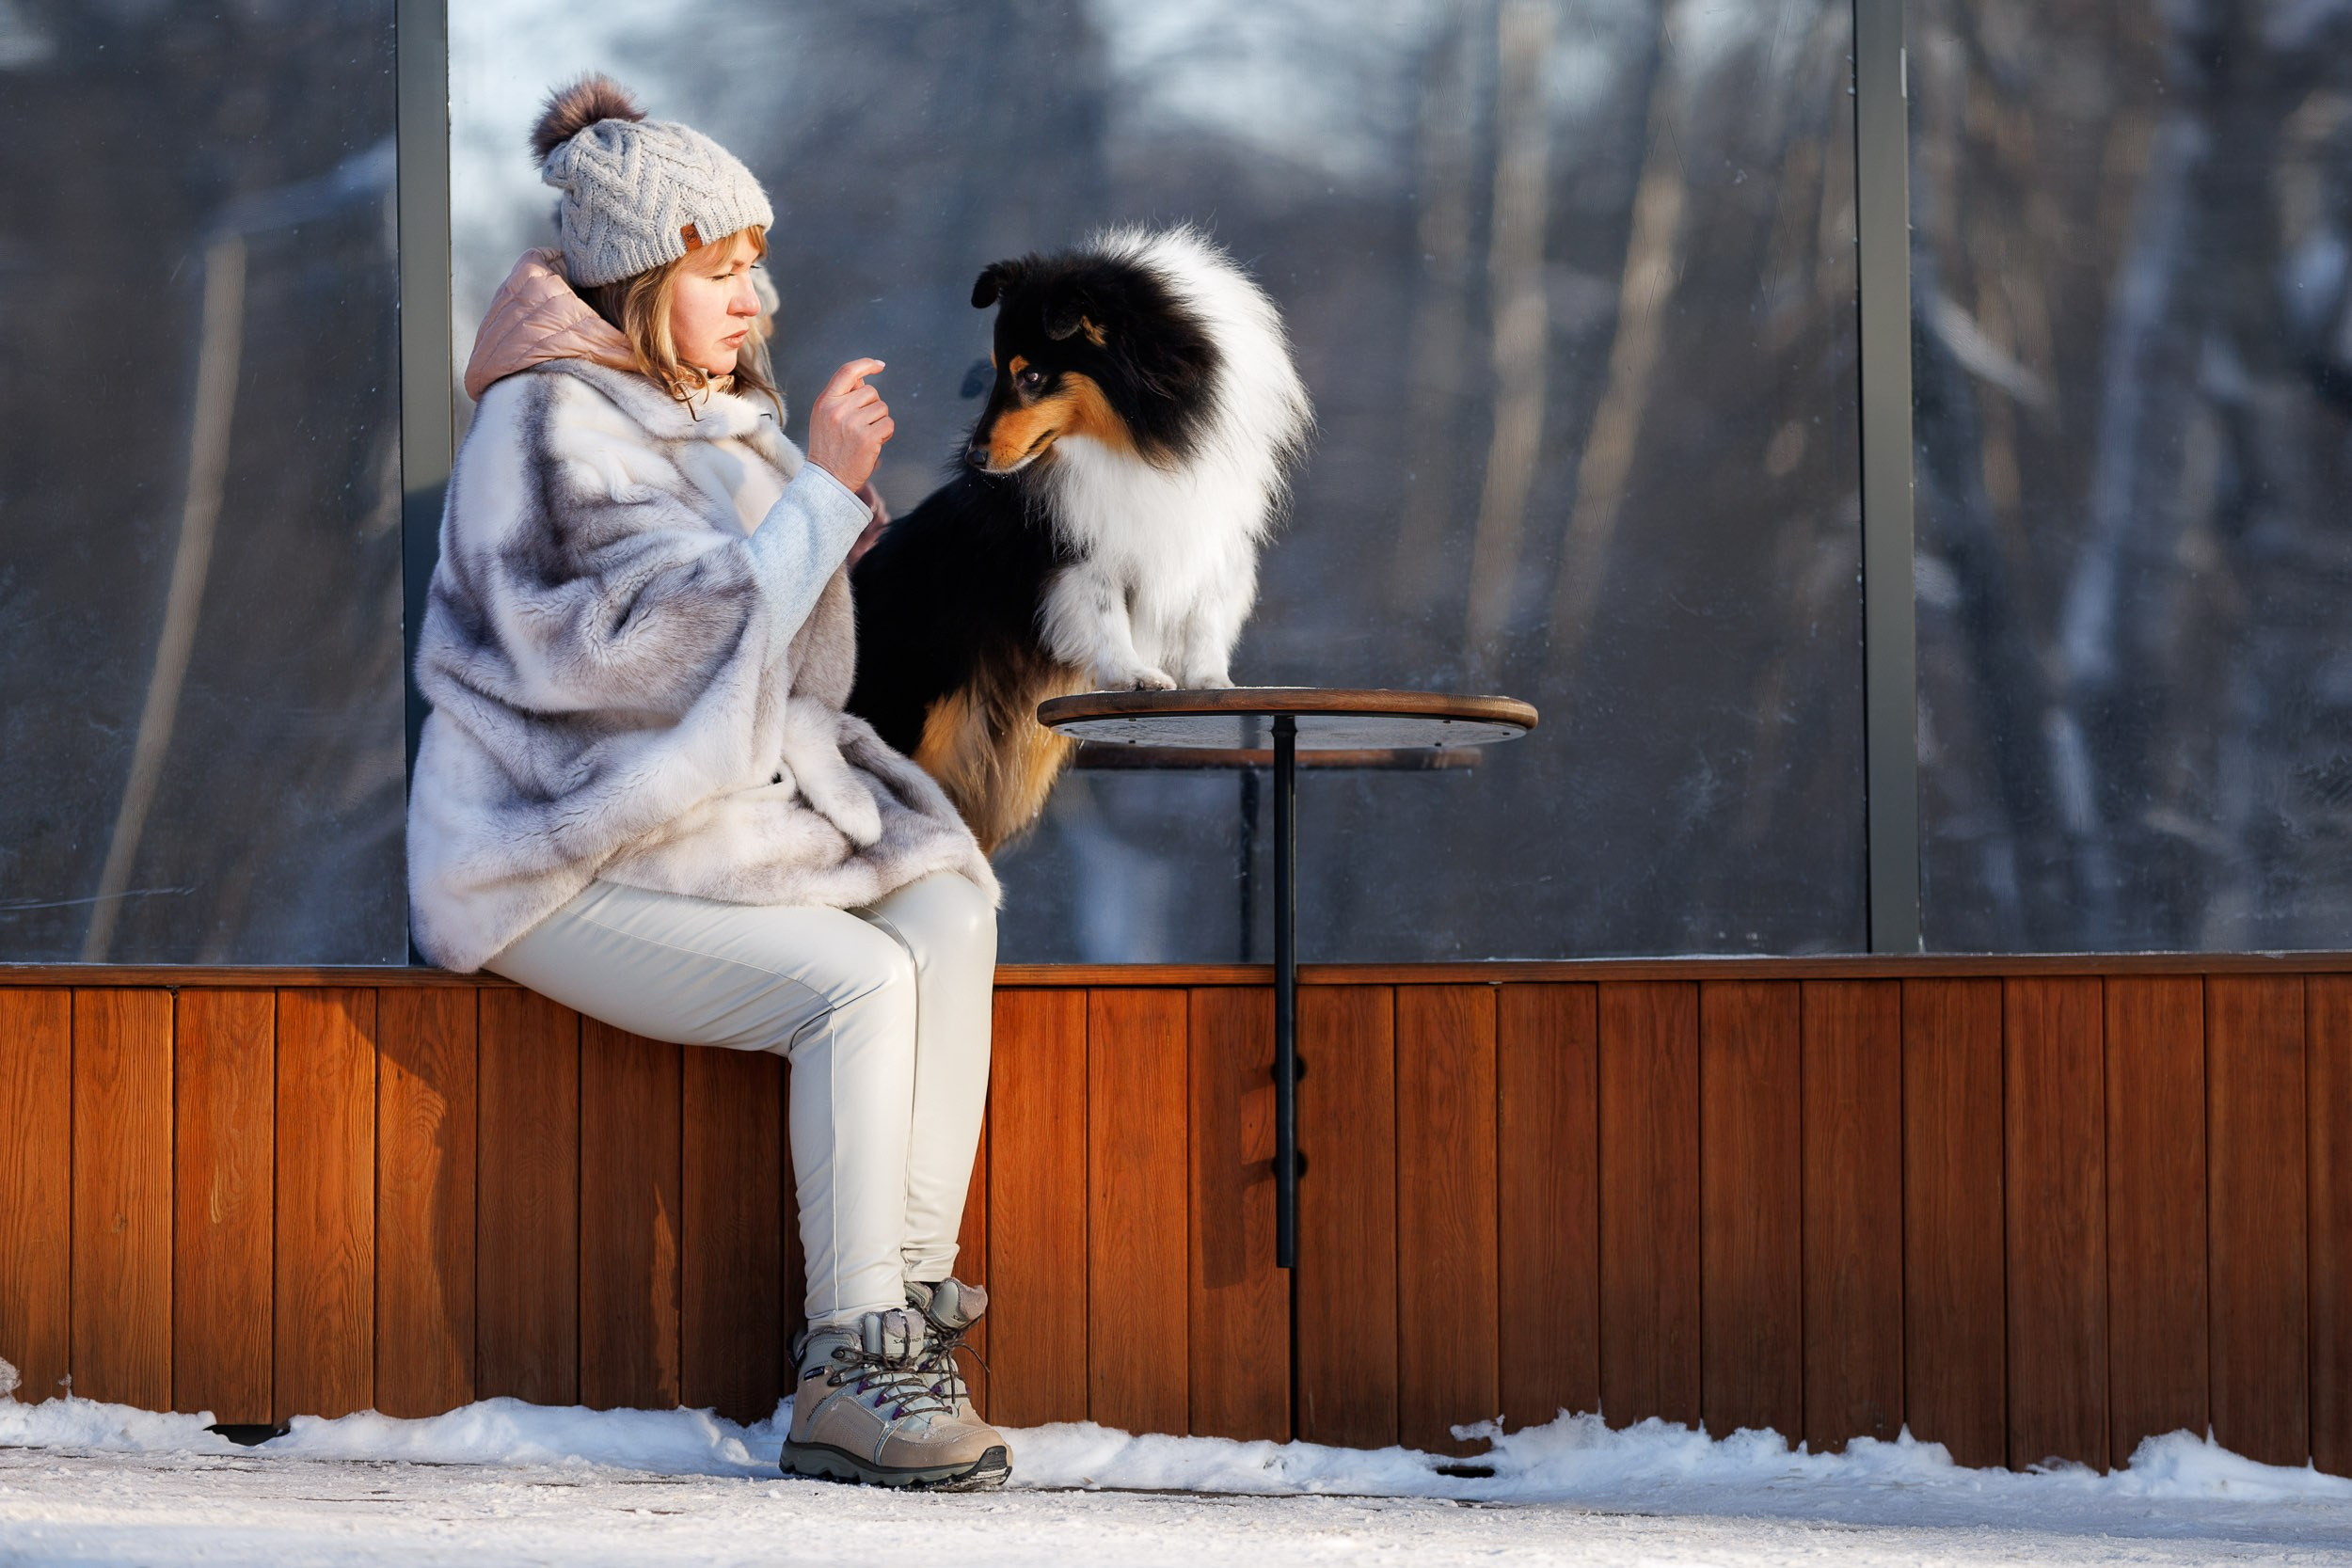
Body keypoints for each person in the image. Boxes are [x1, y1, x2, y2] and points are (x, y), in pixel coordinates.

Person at [405, 73, 1010, 1493]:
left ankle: (904, 1324)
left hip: (699, 828)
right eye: (720, 269)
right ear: (637, 278)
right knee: (852, 982)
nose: (757, 300)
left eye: (756, 267)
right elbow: (639, 666)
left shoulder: (717, 423)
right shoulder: (549, 428)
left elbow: (774, 665)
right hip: (553, 854)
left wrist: (818, 500)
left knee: (946, 910)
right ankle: (849, 1370)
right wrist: (820, 497)